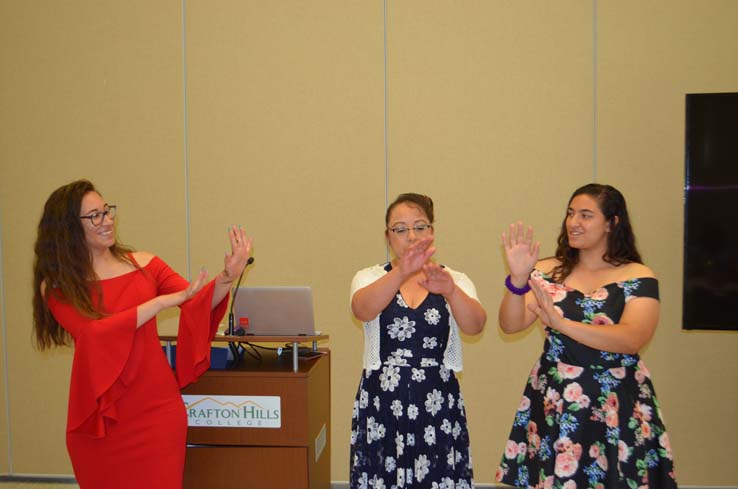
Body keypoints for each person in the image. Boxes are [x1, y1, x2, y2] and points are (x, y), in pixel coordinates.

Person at [32, 179, 253, 488]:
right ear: (68, 227)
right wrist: (158, 303)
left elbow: (194, 301)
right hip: (99, 421)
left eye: (107, 211)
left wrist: (228, 276)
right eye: (94, 215)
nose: (107, 220)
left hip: (156, 413)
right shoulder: (57, 287)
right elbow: (93, 334)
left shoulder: (146, 264)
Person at [495, 183, 677, 488]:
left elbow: (632, 337)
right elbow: (511, 325)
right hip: (557, 398)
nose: (573, 223)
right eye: (570, 214)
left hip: (616, 400)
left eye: (585, 215)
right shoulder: (546, 270)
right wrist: (518, 279)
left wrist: (562, 324)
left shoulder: (638, 275)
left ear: (611, 222)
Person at [349, 193, 487, 489]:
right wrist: (402, 271)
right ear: (388, 236)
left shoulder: (454, 279)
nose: (411, 236)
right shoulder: (369, 277)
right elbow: (362, 309)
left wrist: (450, 291)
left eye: (420, 227)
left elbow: (476, 325)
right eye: (400, 229)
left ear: (432, 232)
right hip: (381, 399)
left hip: (436, 399)